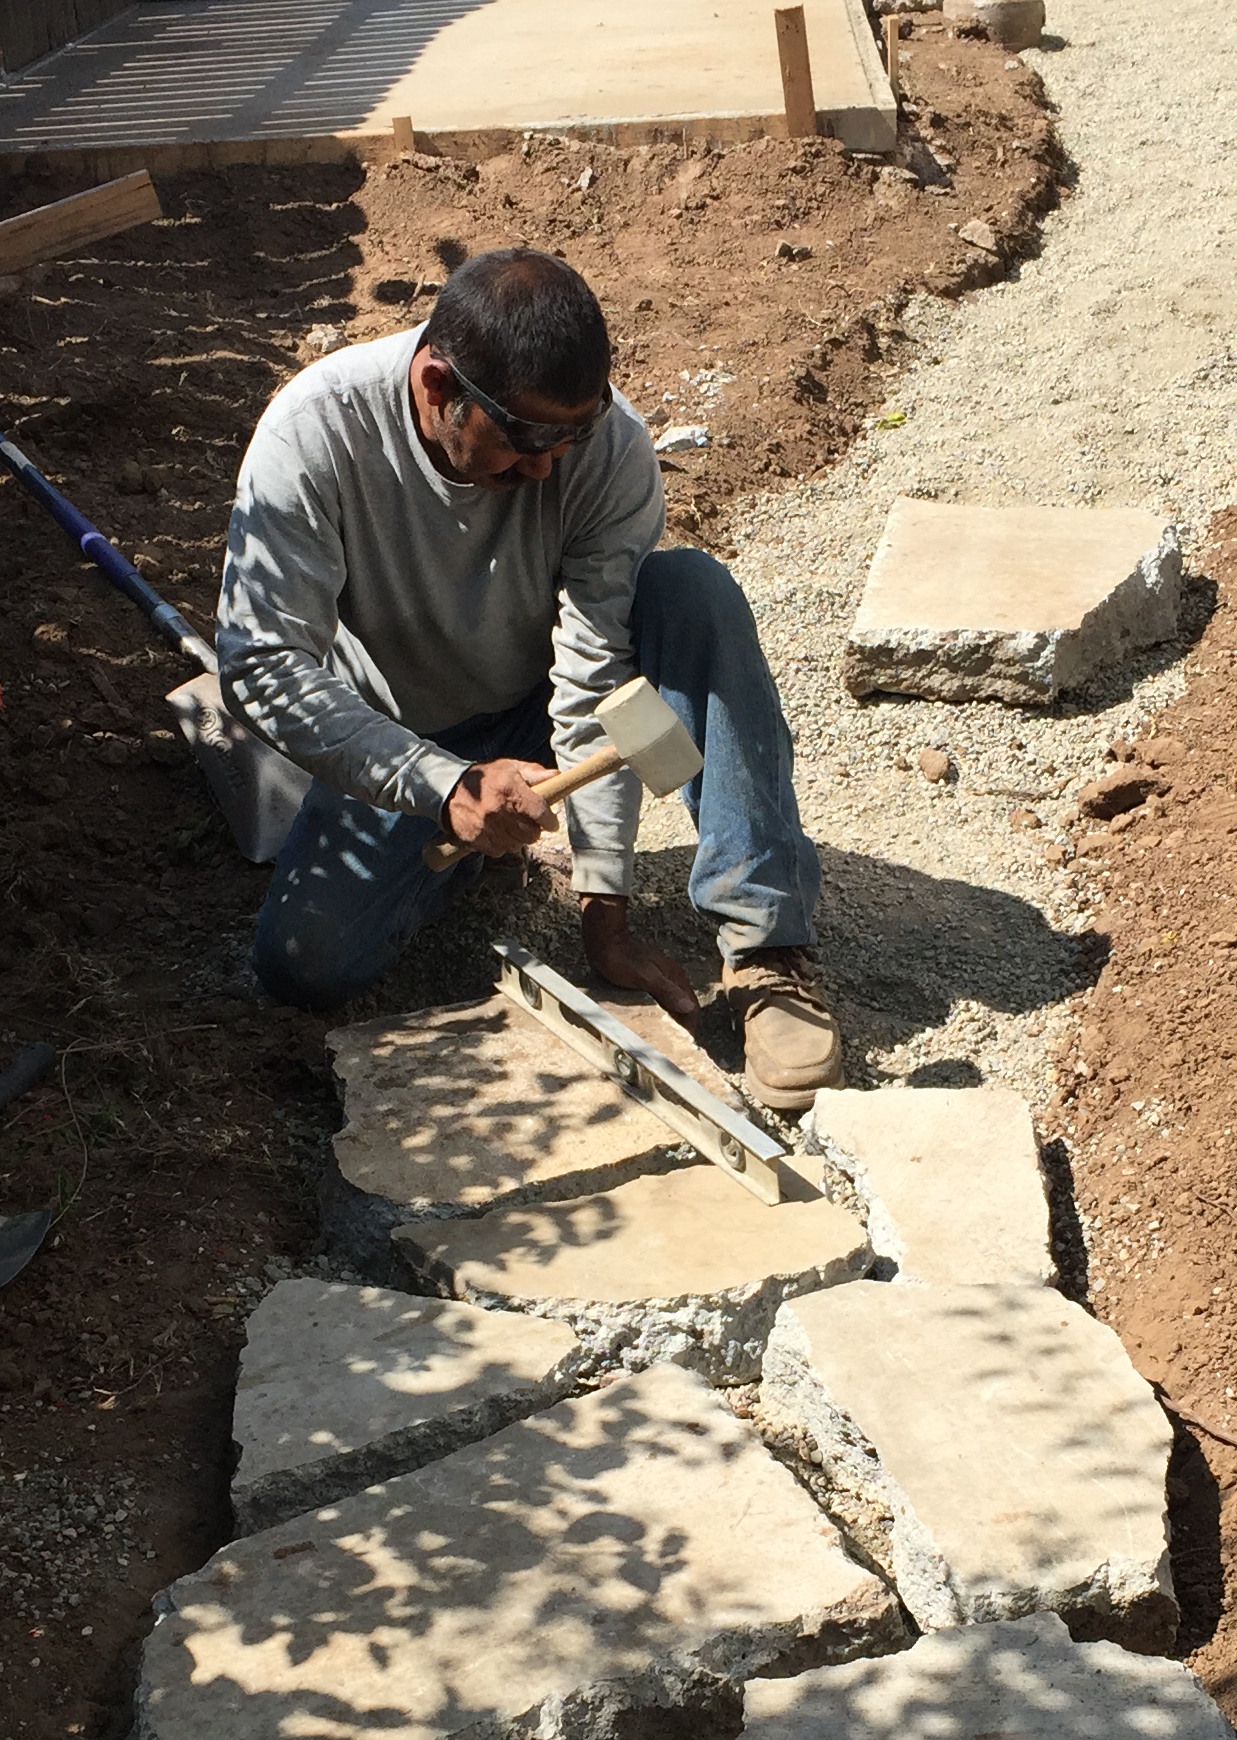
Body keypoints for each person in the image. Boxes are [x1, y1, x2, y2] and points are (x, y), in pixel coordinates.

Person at [216, 246, 843, 1114]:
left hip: (543, 699)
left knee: (692, 592)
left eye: (572, 434)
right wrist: (446, 788)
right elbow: (262, 663)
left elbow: (595, 673)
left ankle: (767, 948)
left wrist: (604, 911)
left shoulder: (605, 447)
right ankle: (476, 846)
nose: (550, 464)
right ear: (438, 387)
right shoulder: (315, 435)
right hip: (409, 732)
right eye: (529, 438)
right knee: (305, 965)